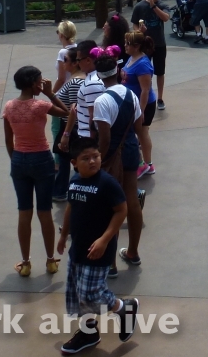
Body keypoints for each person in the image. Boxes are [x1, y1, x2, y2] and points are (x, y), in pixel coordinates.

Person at [56, 137, 139, 354]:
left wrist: (104, 239)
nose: (92, 161)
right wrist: (64, 236)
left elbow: (122, 211)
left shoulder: (107, 183)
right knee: (76, 295)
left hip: (98, 251)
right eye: (86, 158)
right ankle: (88, 333)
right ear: (74, 162)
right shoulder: (74, 181)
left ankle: (124, 308)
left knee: (91, 294)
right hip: (78, 249)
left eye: (96, 156)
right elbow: (70, 208)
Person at [2, 65, 69, 277]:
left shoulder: (9, 106)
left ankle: (26, 262)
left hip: (19, 159)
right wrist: (51, 94)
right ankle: (50, 260)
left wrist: (16, 160)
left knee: (24, 211)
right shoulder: (41, 105)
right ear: (32, 84)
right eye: (40, 82)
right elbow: (67, 113)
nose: (43, 85)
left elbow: (8, 140)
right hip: (42, 159)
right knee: (44, 211)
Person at [88, 48, 145, 268]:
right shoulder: (130, 94)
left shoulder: (102, 101)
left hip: (112, 155)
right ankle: (133, 252)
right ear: (117, 70)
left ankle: (110, 263)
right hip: (130, 148)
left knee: (111, 206)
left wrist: (99, 160)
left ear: (99, 75)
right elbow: (138, 127)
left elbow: (104, 138)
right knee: (132, 200)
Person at [130, 0, 170, 109]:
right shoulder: (140, 6)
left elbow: (165, 18)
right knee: (144, 72)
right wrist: (138, 32)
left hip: (159, 44)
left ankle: (160, 98)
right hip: (145, 45)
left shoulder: (162, 5)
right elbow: (134, 24)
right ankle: (145, 96)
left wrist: (154, 7)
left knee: (160, 72)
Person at [123, 30, 157, 180]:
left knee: (142, 134)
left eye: (127, 44)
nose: (125, 46)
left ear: (136, 46)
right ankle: (144, 163)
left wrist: (141, 111)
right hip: (133, 104)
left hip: (144, 105)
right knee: (139, 134)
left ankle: (146, 164)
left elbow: (145, 90)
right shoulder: (131, 58)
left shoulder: (143, 64)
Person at [52, 46, 85, 201]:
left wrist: (66, 133)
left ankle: (62, 190)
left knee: (68, 159)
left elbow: (73, 109)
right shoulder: (74, 79)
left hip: (71, 128)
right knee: (65, 158)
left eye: (66, 60)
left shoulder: (75, 82)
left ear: (74, 64)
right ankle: (61, 189)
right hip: (69, 127)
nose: (63, 63)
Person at [53, 21, 79, 94]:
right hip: (76, 87)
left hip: (64, 91)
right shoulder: (79, 48)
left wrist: (52, 93)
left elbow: (61, 79)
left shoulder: (63, 52)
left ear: (61, 34)